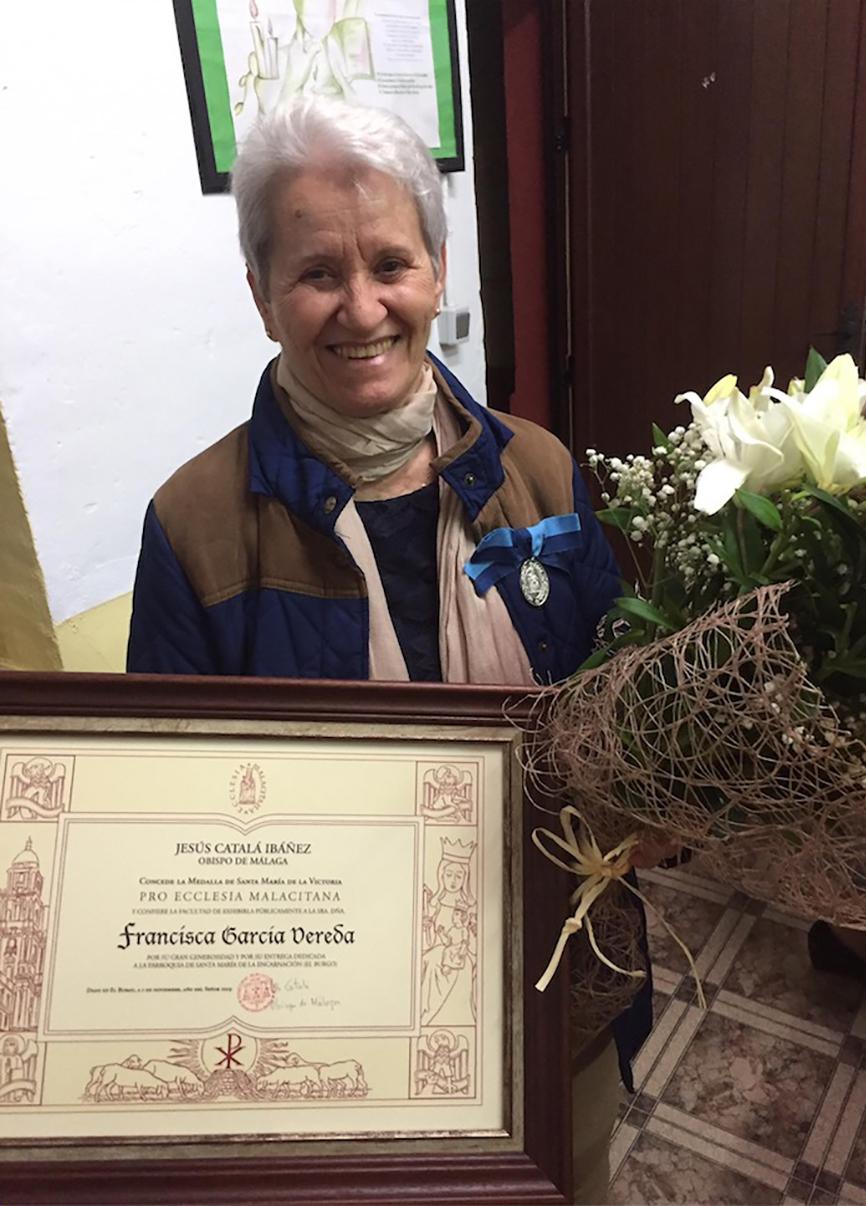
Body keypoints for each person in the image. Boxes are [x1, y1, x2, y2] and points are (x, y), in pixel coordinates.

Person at [126, 95, 652, 1202]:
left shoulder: (542, 473)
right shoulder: (193, 525)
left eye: (391, 263)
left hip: (551, 1001)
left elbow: (623, 716)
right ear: (262, 292)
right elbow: (161, 827)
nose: (361, 307)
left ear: (440, 267)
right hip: (328, 1035)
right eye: (318, 271)